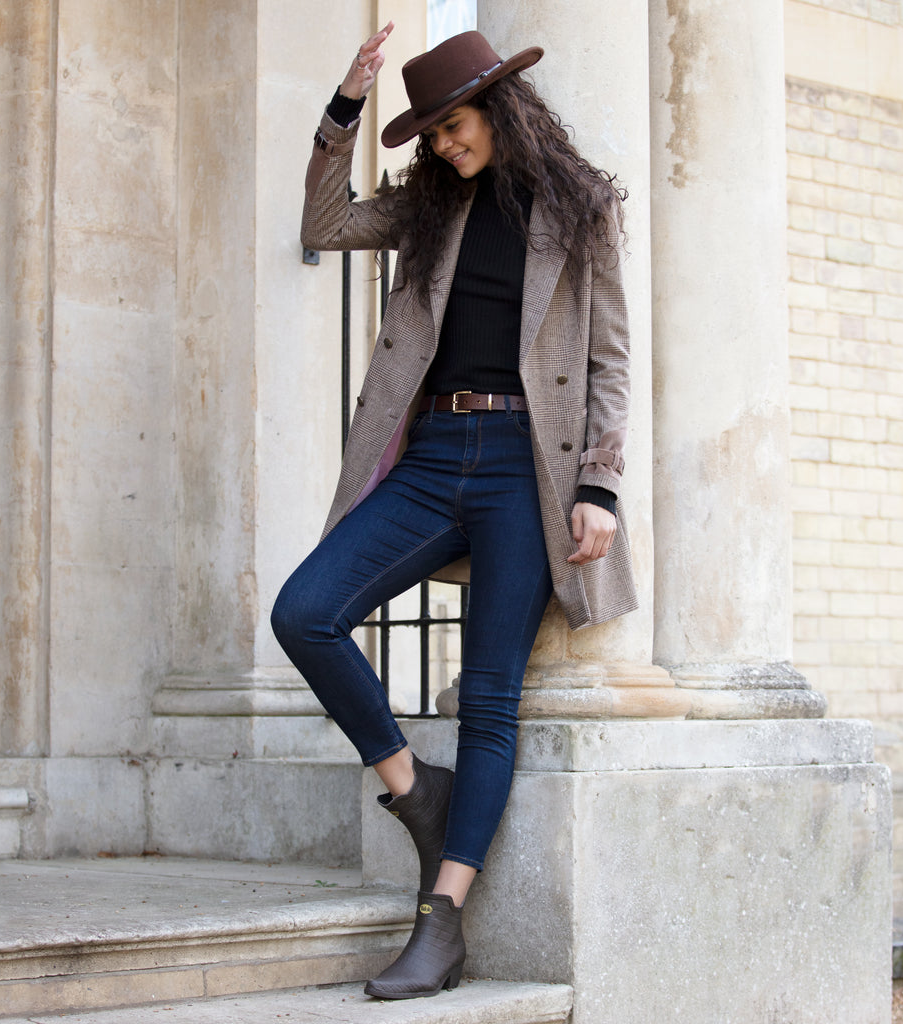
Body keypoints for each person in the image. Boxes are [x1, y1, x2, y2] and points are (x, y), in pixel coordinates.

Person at [271, 23, 637, 1000]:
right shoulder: (427, 208)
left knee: (488, 698)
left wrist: (598, 485)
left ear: (499, 108)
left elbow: (607, 359)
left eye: (453, 125)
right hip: (431, 455)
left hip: (528, 470)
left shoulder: (579, 208)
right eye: (430, 133)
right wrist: (345, 108)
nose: (442, 145)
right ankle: (411, 789)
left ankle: (442, 924)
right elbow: (322, 224)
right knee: (304, 611)